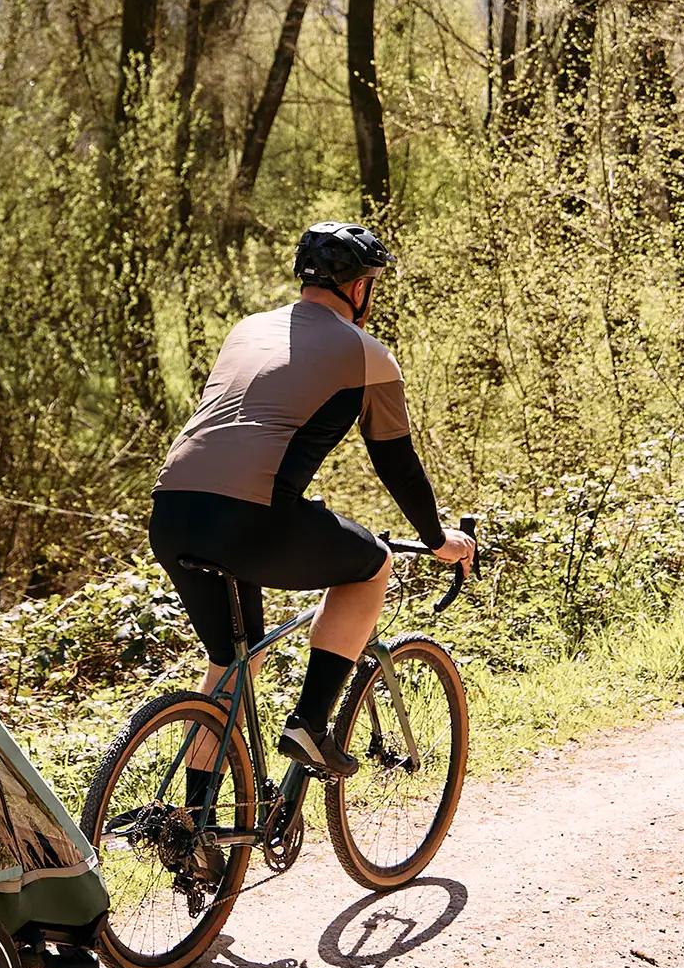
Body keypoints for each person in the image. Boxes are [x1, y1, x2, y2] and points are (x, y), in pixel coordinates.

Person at [150, 223, 474, 781]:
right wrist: (434, 537)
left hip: (172, 510)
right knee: (372, 563)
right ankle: (310, 723)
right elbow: (396, 465)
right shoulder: (369, 355)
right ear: (359, 288)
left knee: (232, 663)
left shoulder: (247, 329)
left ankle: (190, 829)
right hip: (250, 517)